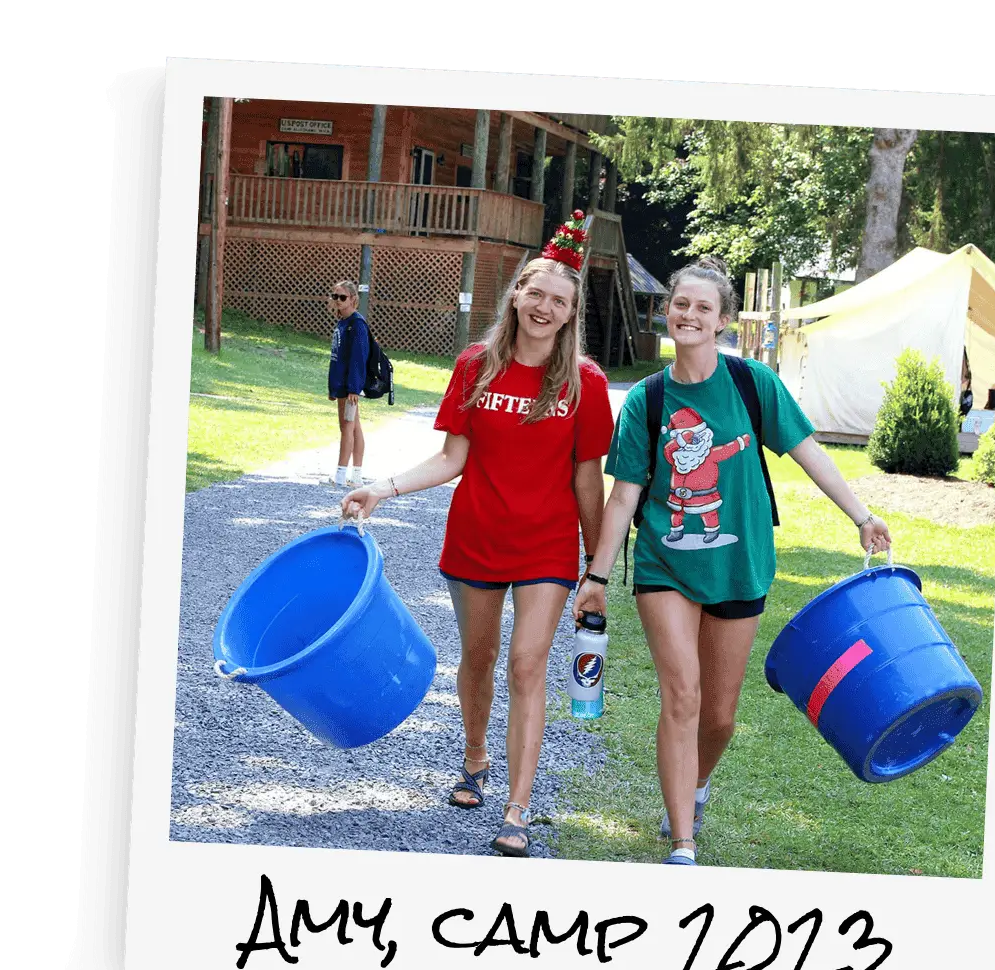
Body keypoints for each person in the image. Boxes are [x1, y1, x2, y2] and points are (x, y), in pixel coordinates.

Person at [574, 256, 891, 867]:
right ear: (669, 311)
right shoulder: (648, 399)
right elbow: (626, 493)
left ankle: (695, 783)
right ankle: (682, 842)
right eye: (680, 304)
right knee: (683, 696)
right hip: (666, 565)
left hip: (741, 565)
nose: (688, 315)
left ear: (722, 321)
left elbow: (808, 453)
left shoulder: (752, 384)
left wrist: (861, 515)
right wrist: (597, 574)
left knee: (718, 716)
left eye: (702, 307)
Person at [342, 213, 614, 857]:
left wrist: (595, 569)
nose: (545, 307)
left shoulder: (587, 383)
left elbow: (587, 481)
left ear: (572, 312)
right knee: (480, 658)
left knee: (527, 665)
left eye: (560, 300)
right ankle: (474, 756)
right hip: (476, 537)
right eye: (537, 293)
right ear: (517, 293)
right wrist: (383, 487)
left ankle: (517, 808)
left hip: (546, 546)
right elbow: (451, 458)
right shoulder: (474, 367)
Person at [327, 280, 370, 489]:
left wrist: (354, 387)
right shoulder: (342, 322)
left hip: (349, 386)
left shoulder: (357, 324)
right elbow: (337, 357)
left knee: (347, 427)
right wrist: (332, 387)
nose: (337, 300)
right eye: (335, 296)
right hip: (342, 385)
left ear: (353, 299)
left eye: (342, 297)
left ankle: (341, 475)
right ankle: (357, 475)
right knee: (353, 427)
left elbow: (358, 358)